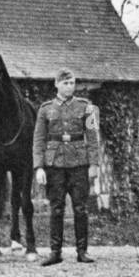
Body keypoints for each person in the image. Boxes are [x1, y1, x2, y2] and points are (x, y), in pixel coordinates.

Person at [33, 68, 100, 266]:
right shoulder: (45, 109)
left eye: (72, 83)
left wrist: (94, 164)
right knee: (56, 209)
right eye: (65, 83)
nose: (69, 87)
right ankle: (55, 252)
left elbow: (93, 137)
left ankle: (82, 251)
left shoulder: (86, 107)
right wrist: (39, 167)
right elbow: (38, 140)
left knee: (80, 208)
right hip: (54, 165)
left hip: (79, 164)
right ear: (57, 85)